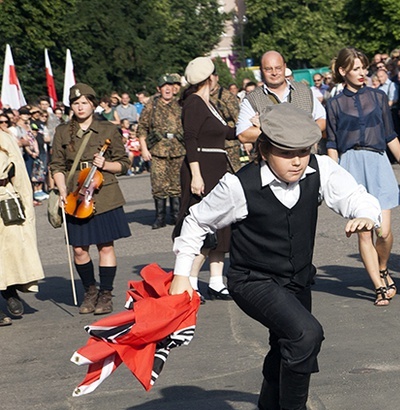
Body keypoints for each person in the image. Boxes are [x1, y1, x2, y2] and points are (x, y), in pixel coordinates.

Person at [170, 103, 381, 410]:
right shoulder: (239, 186)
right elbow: (196, 222)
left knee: (288, 346)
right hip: (252, 279)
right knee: (305, 334)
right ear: (264, 150)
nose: (297, 161)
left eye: (303, 151)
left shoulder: (321, 169)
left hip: (297, 280)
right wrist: (181, 275)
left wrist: (365, 215)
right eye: (286, 153)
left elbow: (356, 197)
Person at [326, 47, 400, 305]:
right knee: (365, 231)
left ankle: (383, 267)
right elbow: (331, 143)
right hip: (350, 166)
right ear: (343, 71)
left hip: (379, 164)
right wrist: (335, 176)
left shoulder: (378, 97)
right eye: (356, 69)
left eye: (363, 68)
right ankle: (378, 286)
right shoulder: (333, 104)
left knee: (384, 232)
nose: (362, 73)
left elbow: (390, 135)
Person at [50, 83, 131, 315]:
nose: (80, 107)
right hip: (76, 194)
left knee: (105, 246)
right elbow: (56, 165)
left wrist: (106, 165)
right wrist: (62, 190)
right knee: (79, 250)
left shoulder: (107, 129)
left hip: (104, 193)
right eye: (76, 103)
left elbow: (124, 164)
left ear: (93, 104)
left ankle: (106, 294)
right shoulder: (62, 132)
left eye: (84, 102)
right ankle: (90, 290)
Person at [174, 56, 236, 301]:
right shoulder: (194, 103)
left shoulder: (210, 104)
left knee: (220, 224)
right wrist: (196, 175)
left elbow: (225, 133)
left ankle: (216, 281)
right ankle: (189, 280)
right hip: (202, 167)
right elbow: (191, 139)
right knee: (201, 227)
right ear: (210, 78)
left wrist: (249, 128)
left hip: (217, 166)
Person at [0, 130, 44, 325]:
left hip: (3, 199)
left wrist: (26, 204)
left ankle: (9, 290)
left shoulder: (4, 137)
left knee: (9, 252)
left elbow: (15, 168)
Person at [236, 50, 326, 144]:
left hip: (306, 154)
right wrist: (286, 133)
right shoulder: (252, 99)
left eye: (278, 68)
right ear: (261, 71)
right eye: (268, 69)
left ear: (285, 67)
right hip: (272, 157)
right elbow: (243, 135)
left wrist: (267, 129)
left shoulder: (304, 91)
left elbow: (322, 120)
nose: (274, 73)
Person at [137, 74, 185, 229]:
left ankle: (176, 215)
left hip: (178, 148)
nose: (168, 89)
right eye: (164, 86)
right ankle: (160, 217)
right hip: (158, 150)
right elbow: (142, 128)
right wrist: (144, 148)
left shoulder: (180, 104)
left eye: (170, 86)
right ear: (159, 89)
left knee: (176, 184)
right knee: (158, 184)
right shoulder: (152, 105)